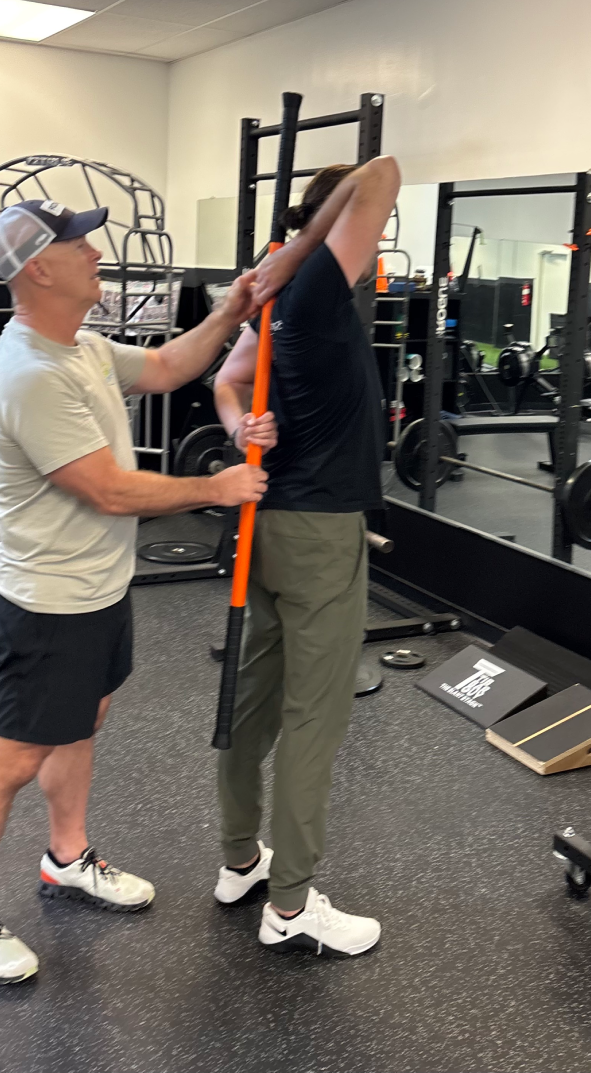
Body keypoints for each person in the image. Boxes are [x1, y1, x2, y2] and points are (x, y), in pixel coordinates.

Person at [0, 199, 271, 984]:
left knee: (83, 721)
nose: (94, 252)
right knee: (13, 756)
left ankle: (67, 855)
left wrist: (231, 311)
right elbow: (109, 489)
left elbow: (167, 366)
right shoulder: (32, 373)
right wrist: (215, 487)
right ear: (39, 270)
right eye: (77, 243)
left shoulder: (80, 345)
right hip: (47, 601)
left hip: (98, 589)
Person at [212, 154, 401, 957]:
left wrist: (239, 427)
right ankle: (289, 905)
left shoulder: (283, 297)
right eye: (371, 232)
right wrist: (311, 237)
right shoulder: (314, 282)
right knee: (313, 720)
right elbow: (383, 172)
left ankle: (240, 860)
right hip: (321, 534)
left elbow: (227, 382)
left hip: (269, 526)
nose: (379, 241)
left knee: (253, 698)